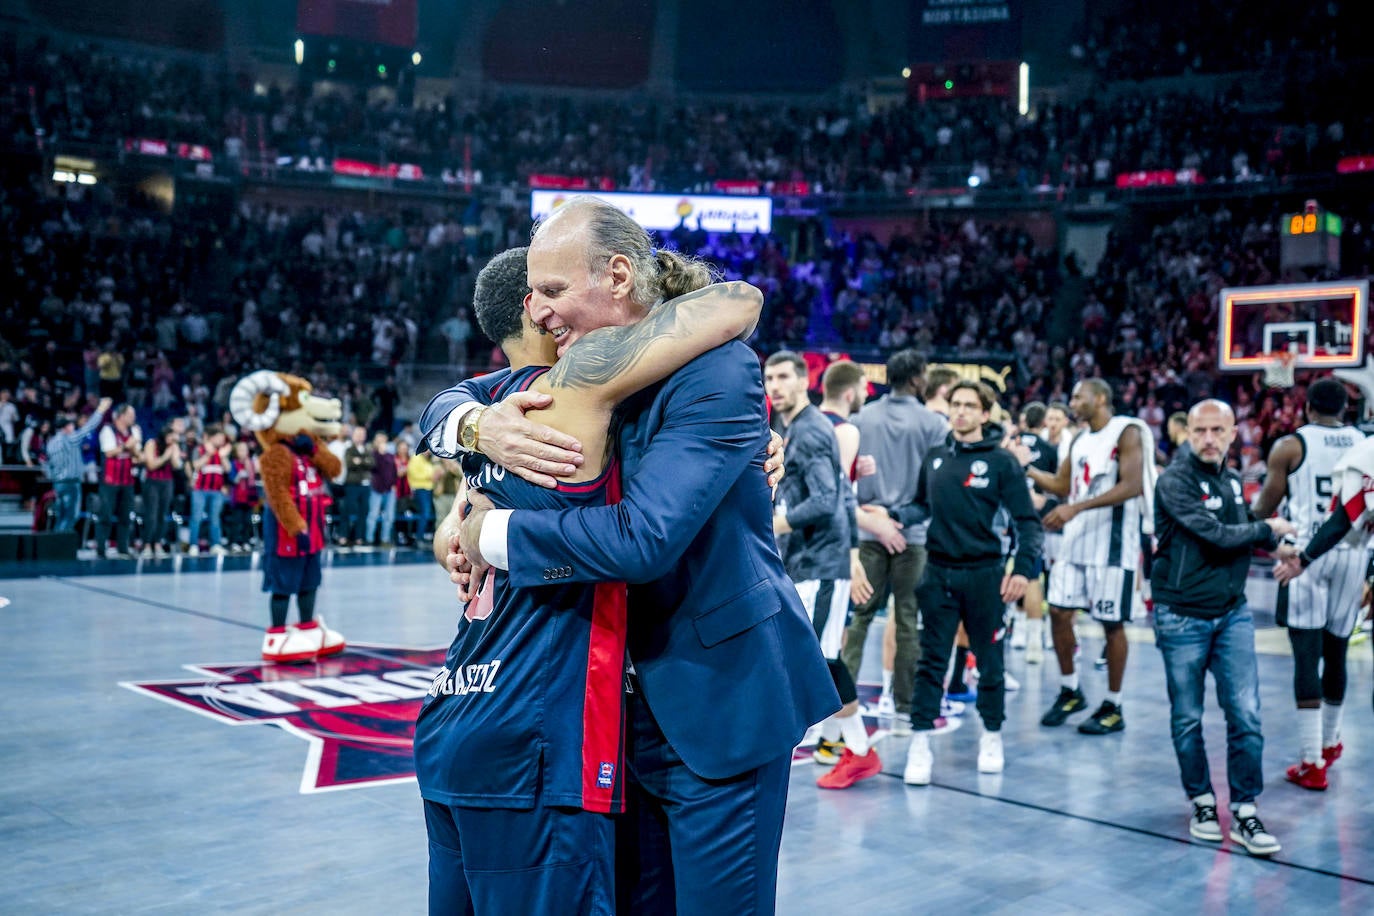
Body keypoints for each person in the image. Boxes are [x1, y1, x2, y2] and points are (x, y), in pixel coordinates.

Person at [439, 198, 838, 915]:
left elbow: (644, 539)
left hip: (716, 697)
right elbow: (454, 402)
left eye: (555, 293)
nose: (541, 315)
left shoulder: (718, 373)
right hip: (601, 717)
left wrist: (491, 537)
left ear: (618, 276)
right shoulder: (579, 376)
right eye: (533, 297)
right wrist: (470, 434)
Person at [1152, 399, 1291, 856]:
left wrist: (1279, 548)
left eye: (1217, 430)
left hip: (1231, 613)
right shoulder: (1175, 481)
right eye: (1199, 431)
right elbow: (1214, 535)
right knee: (1188, 717)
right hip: (1181, 616)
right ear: (1187, 434)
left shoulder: (1232, 481)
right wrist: (1268, 530)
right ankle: (1203, 802)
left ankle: (1246, 810)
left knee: (1245, 714)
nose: (1208, 439)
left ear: (1234, 434)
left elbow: (1237, 537)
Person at [901, 382, 1042, 783]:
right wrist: (894, 515)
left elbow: (1028, 525)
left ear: (985, 414)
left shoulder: (1002, 463)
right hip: (938, 572)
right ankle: (920, 741)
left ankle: (992, 734)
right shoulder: (935, 457)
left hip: (986, 576)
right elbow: (920, 506)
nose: (960, 412)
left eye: (969, 406)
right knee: (931, 661)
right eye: (955, 404)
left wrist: (1021, 569)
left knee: (991, 663)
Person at [766, 351, 880, 790]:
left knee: (822, 660)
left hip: (820, 562)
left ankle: (857, 750)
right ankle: (849, 746)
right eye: (768, 378)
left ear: (803, 382)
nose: (774, 386)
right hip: (811, 560)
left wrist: (773, 522)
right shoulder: (800, 428)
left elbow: (826, 499)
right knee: (820, 659)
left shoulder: (811, 430)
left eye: (782, 377)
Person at [1015, 379, 1155, 734]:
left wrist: (1075, 508)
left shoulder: (1127, 432)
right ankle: (1070, 689)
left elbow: (1133, 484)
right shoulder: (1079, 440)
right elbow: (1064, 486)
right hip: (1076, 541)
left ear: (1101, 398)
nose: (1071, 403)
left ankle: (1114, 704)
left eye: (1079, 397)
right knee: (1059, 613)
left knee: (1112, 625)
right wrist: (1026, 468)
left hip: (1112, 547)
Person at [1250, 378, 1364, 790]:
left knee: (1306, 656)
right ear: (1346, 409)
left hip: (1304, 557)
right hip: (1353, 552)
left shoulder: (1290, 446)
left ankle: (1312, 760)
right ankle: (1331, 742)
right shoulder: (1364, 442)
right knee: (1337, 653)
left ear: (1307, 408)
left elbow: (1265, 506)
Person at [840, 350, 948, 733]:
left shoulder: (861, 417)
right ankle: (904, 709)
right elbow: (936, 488)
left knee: (859, 620)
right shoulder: (935, 424)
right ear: (918, 379)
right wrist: (902, 517)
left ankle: (841, 711)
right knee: (907, 622)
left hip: (867, 529)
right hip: (911, 535)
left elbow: (844, 477)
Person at [1009, 401, 1058, 665]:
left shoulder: (1011, 442)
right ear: (1043, 424)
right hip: (1039, 520)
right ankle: (1035, 641)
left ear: (1025, 419)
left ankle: (1017, 631)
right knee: (1035, 575)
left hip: (1007, 515)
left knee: (1012, 571)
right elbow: (1057, 486)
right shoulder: (1050, 449)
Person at [44, 398, 111, 533]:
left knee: (61, 516)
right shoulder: (69, 438)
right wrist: (100, 411)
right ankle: (61, 546)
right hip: (70, 483)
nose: (74, 427)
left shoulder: (51, 443)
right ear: (66, 428)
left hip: (57, 483)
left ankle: (54, 547)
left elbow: (47, 464)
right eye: (72, 425)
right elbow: (88, 427)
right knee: (70, 516)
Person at [93, 403, 142, 558]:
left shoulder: (134, 431)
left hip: (127, 480)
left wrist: (133, 447)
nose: (133, 418)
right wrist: (127, 446)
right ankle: (101, 548)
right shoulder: (108, 430)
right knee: (106, 515)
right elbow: (109, 452)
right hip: (110, 480)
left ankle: (123, 547)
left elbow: (137, 456)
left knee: (125, 516)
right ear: (121, 416)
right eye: (130, 415)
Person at [186, 424, 230, 556]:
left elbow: (227, 469)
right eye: (219, 437)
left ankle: (215, 545)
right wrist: (208, 455)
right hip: (200, 489)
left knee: (215, 518)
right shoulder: (199, 449)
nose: (222, 440)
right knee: (196, 518)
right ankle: (193, 545)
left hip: (216, 491)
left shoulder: (221, 452)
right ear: (211, 437)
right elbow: (195, 465)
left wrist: (221, 456)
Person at [140, 422, 183, 557]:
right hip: (152, 482)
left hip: (167, 482)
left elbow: (177, 466)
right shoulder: (151, 444)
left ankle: (157, 543)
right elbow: (151, 465)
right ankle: (147, 544)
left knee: (162, 515)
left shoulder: (173, 447)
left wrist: (174, 453)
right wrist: (165, 456)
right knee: (151, 514)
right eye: (171, 436)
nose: (173, 439)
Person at [338, 425, 373, 546]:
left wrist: (359, 461)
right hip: (352, 485)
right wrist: (364, 462)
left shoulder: (368, 449)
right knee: (347, 511)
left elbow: (372, 463)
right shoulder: (349, 449)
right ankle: (343, 536)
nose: (360, 437)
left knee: (363, 512)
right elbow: (350, 464)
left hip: (365, 485)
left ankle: (359, 537)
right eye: (358, 434)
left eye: (362, 434)